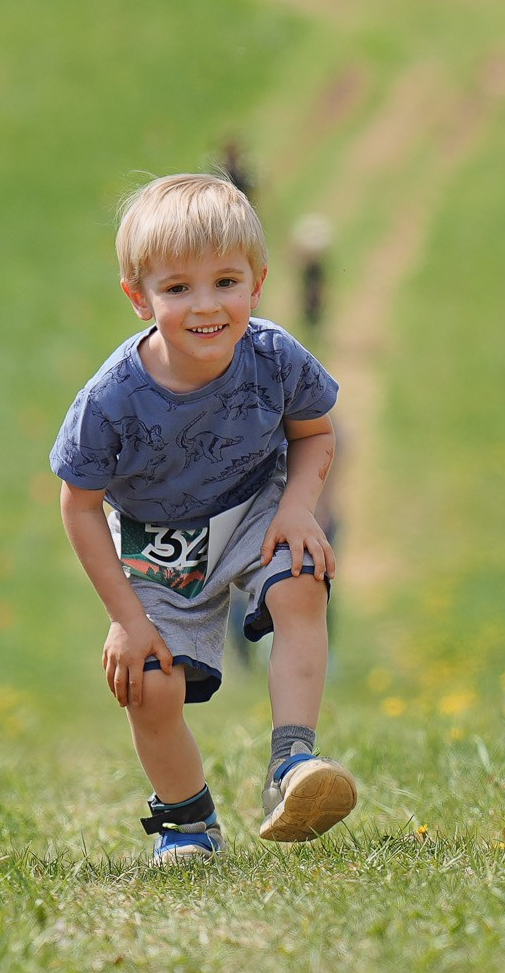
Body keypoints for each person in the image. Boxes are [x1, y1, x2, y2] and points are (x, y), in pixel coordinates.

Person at [48, 174, 359, 864]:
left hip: (257, 506)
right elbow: (78, 504)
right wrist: (129, 618)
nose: (206, 305)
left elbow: (316, 432)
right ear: (138, 297)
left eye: (225, 281)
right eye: (178, 288)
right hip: (163, 545)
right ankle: (187, 821)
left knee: (301, 578)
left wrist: (299, 509)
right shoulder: (111, 399)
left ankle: (290, 767)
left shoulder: (274, 357)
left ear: (258, 282)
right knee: (148, 684)